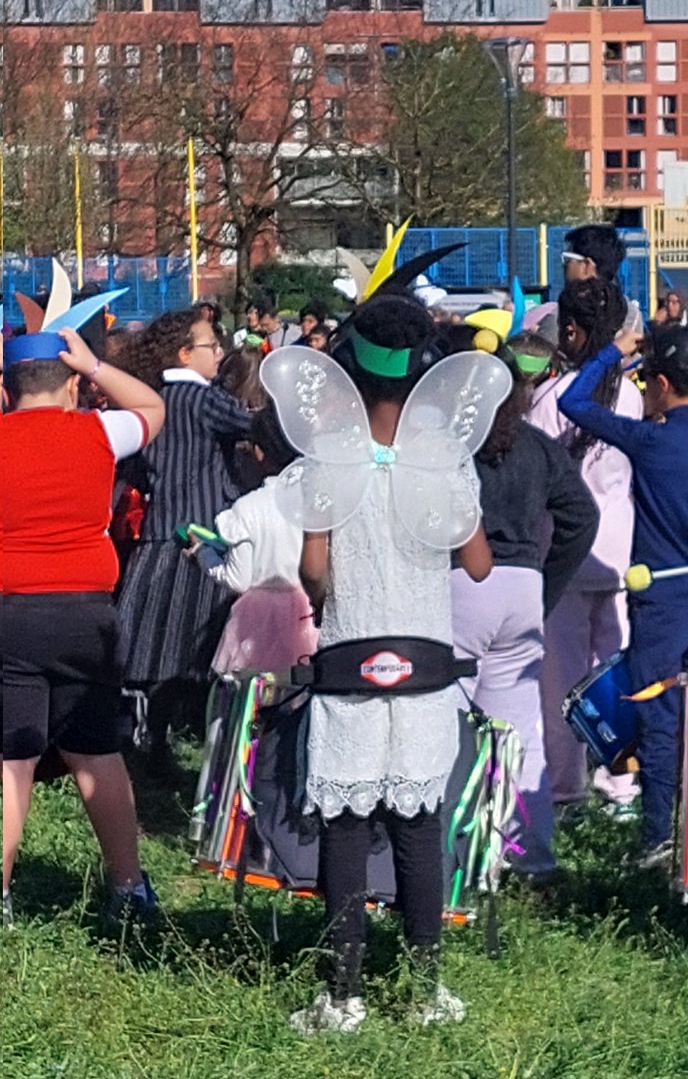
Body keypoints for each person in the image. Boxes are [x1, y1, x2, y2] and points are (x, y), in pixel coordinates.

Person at [282, 294, 496, 1034]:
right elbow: (476, 562)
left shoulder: (329, 453)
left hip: (350, 657)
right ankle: (425, 988)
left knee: (344, 824)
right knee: (418, 825)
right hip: (428, 662)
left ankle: (343, 994)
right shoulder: (441, 452)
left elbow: (315, 574)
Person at [558, 323, 688, 866]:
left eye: (649, 381)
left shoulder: (649, 438)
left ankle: (656, 838)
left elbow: (572, 401)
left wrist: (612, 353)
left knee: (658, 719)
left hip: (660, 607)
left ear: (666, 383)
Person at [1, 322, 165, 928]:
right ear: (70, 385)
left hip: (9, 610)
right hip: (86, 614)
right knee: (96, 751)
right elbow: (152, 405)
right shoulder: (99, 430)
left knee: (10, 758)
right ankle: (128, 887)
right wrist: (96, 365)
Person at [451, 332, 598, 877]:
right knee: (520, 732)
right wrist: (543, 582)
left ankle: (457, 856)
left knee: (449, 723)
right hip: (521, 591)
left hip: (462, 583)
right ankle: (530, 856)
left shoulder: (453, 443)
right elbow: (582, 517)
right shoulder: (538, 446)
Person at [116, 310, 253, 771]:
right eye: (211, 346)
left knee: (148, 645)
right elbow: (256, 428)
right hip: (204, 539)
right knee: (196, 645)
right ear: (184, 354)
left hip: (158, 533)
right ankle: (189, 740)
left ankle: (146, 736)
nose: (219, 354)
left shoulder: (151, 400)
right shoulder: (206, 400)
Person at [527, 278, 644, 811]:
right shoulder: (634, 394)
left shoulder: (552, 398)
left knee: (562, 679)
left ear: (570, 331)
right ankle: (622, 781)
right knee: (614, 671)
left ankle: (566, 785)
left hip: (566, 552)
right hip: (620, 548)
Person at [189, 405, 317, 675]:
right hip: (306, 613)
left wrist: (203, 553)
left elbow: (238, 579)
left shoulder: (248, 508)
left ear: (259, 451)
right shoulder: (314, 502)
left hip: (256, 618)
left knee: (249, 698)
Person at [561, 224, 626, 284]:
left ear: (587, 265)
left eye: (567, 259)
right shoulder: (616, 295)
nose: (563, 266)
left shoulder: (570, 295)